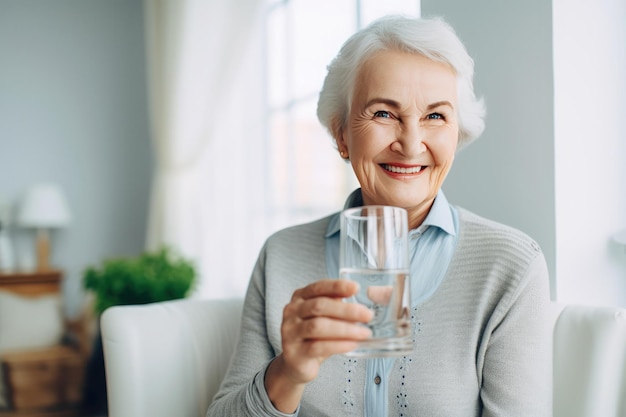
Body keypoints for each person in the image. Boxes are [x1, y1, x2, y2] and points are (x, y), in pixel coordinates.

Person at [207, 15, 553, 417]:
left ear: (456, 134)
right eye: (384, 114)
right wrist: (288, 372)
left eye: (435, 116)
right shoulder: (281, 256)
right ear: (341, 136)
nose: (410, 144)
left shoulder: (512, 267)